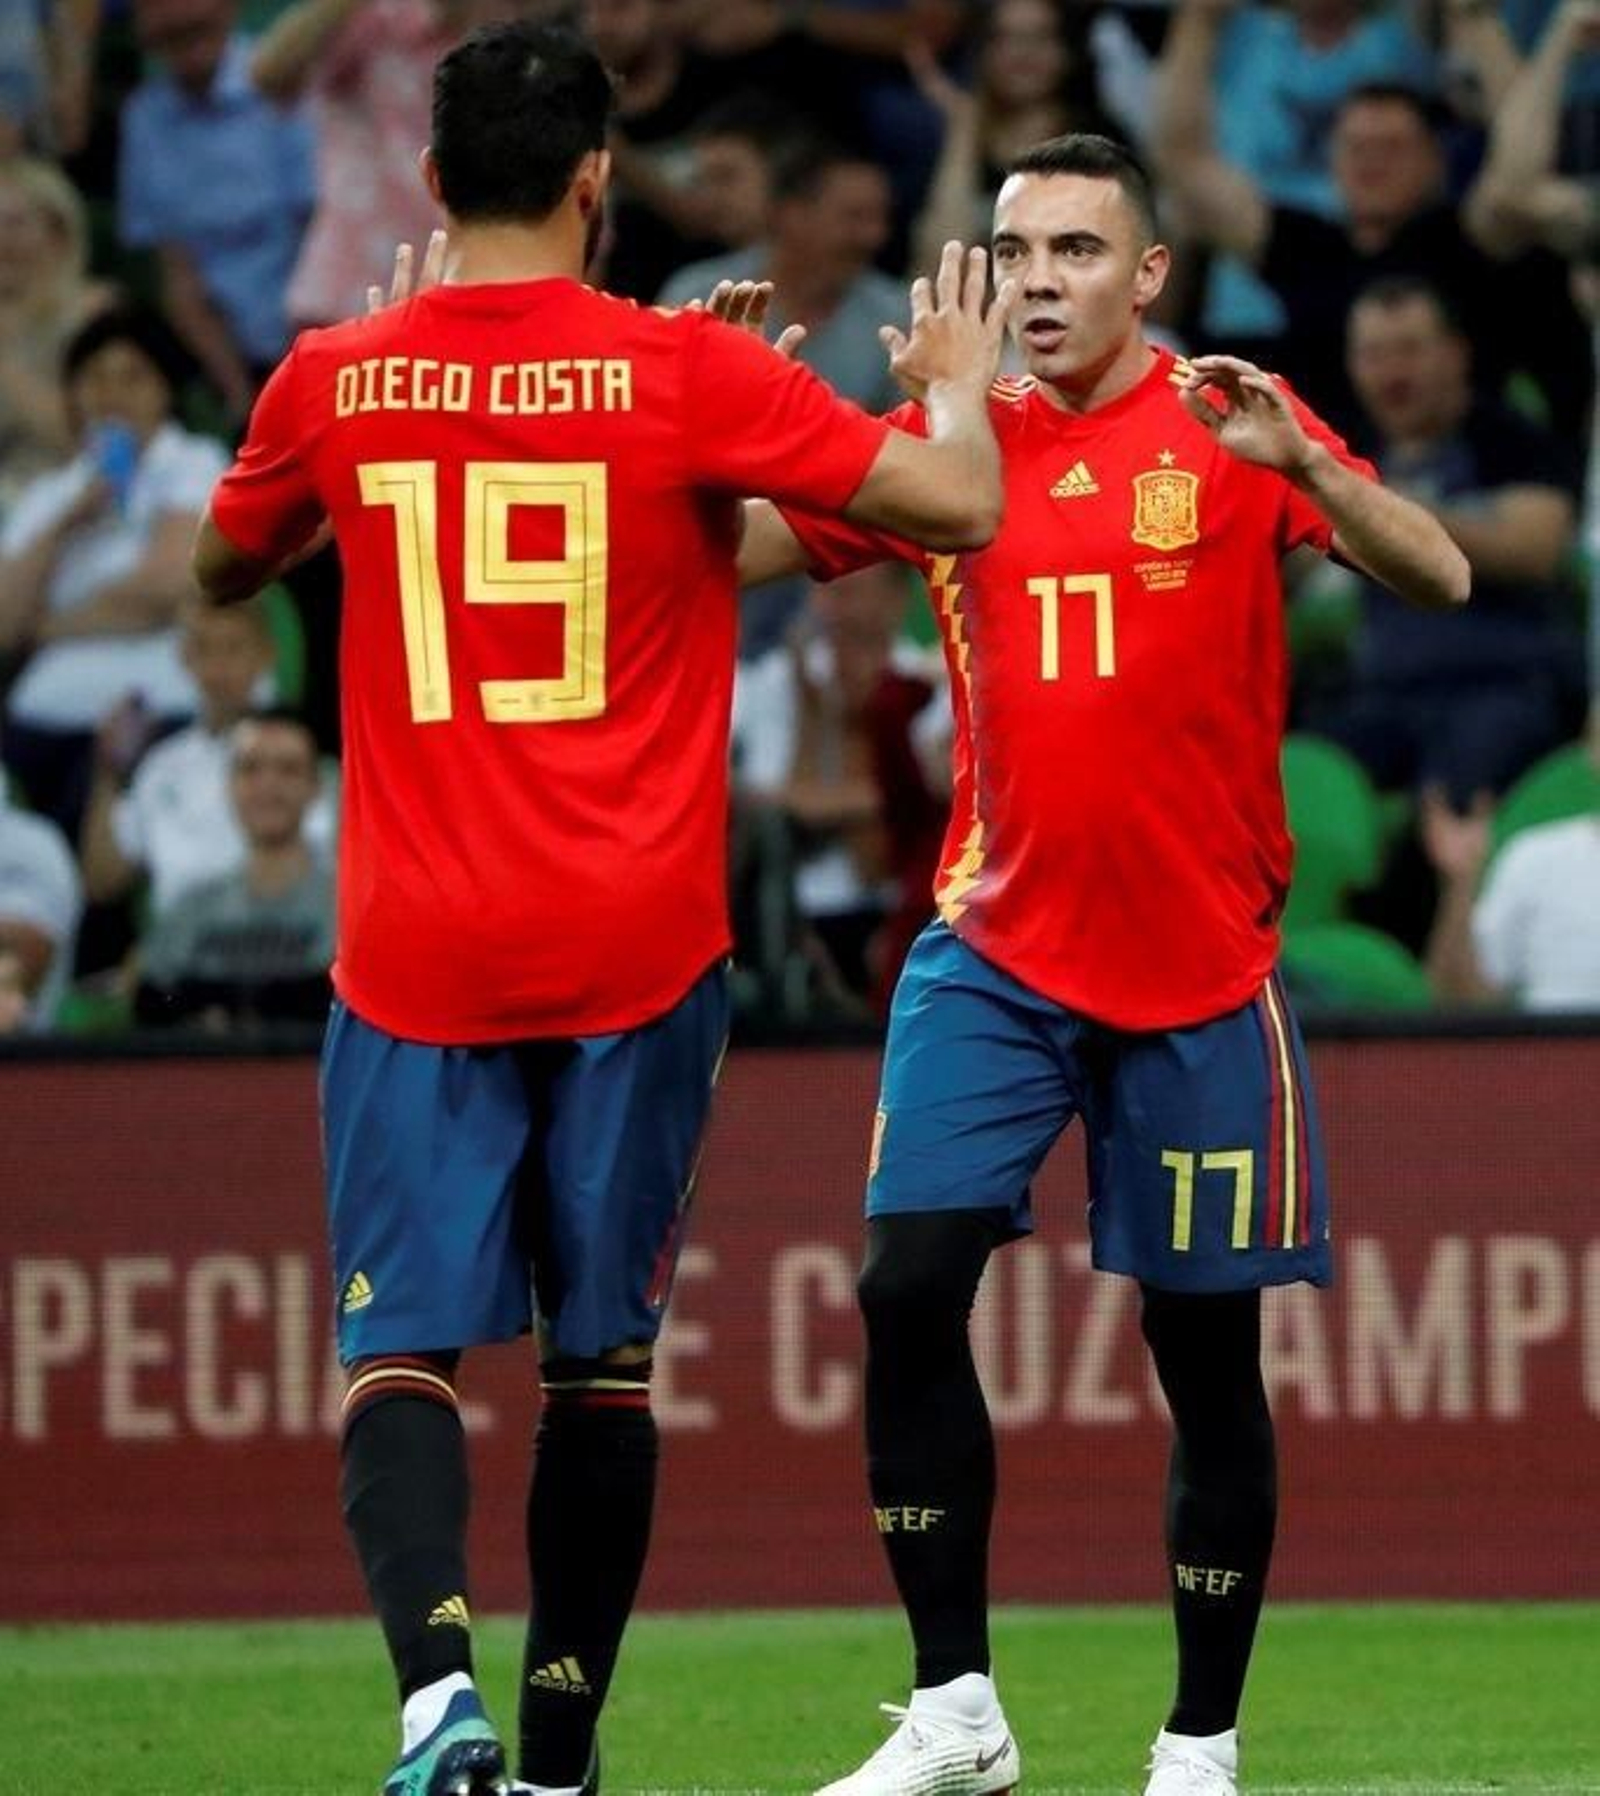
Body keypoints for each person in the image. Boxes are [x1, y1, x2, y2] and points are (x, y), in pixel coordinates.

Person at [191, 21, 1012, 1796]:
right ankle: (557, 1770)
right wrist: (947, 377)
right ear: (595, 181)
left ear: (428, 182)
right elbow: (956, 502)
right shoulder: (679, 376)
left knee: (399, 1343)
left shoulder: (334, 375)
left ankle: (438, 1702)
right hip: (634, 954)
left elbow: (221, 565)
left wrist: (370, 408)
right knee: (600, 1366)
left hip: (418, 951)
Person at [736, 132, 1467, 1796]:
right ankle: (955, 1714)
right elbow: (720, 561)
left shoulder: (1226, 422)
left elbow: (1439, 569)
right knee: (904, 1288)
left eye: (1077, 249)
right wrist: (737, 421)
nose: (1041, 282)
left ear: (1146, 275)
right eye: (1018, 252)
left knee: (1205, 1358)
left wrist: (1316, 471)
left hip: (1200, 967)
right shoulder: (948, 441)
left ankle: (1199, 1742)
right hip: (991, 952)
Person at [1324, 274, 1582, 804]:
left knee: (1465, 781)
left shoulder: (1513, 441)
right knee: (1303, 772)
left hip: (1499, 687)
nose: (1392, 372)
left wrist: (1377, 505)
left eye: (1410, 350)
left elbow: (1534, 549)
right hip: (1382, 697)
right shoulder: (1347, 451)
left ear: (1456, 353)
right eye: (1373, 354)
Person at [0, 305, 227, 844]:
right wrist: (65, 525)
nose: (112, 394)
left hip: (165, 704)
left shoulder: (195, 464)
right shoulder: (51, 495)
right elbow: (4, 626)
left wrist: (45, 629)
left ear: (163, 390)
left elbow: (162, 591)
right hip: (39, 717)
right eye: (95, 378)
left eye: (132, 377)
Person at [119, 0, 317, 425]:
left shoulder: (278, 78)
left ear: (226, 11)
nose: (183, 40)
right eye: (166, 32)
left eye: (194, 26)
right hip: (217, 355)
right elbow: (178, 276)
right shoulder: (145, 119)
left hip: (311, 319)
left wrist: (300, 367)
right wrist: (243, 398)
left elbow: (315, 231)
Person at [80, 595, 337, 917]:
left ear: (265, 655)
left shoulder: (296, 761)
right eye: (204, 649)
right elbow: (102, 882)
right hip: (182, 954)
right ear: (184, 657)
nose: (218, 668)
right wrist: (107, 772)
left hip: (284, 944)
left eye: (233, 649)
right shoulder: (161, 768)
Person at [132, 707, 335, 1030]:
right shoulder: (187, 912)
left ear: (315, 787)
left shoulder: (350, 914)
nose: (268, 786)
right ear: (229, 785)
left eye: (288, 769)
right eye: (250, 768)